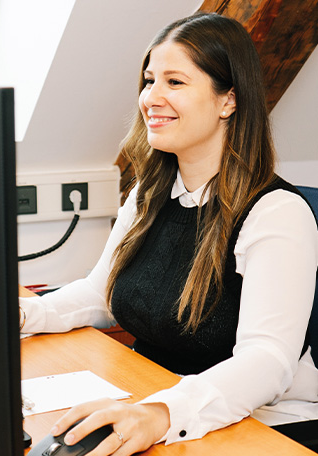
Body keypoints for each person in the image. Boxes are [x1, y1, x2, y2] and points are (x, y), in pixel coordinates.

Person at [20, 12, 318, 455]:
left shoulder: (276, 212)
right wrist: (24, 317)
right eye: (149, 80)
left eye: (174, 82)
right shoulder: (149, 192)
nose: (151, 98)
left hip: (258, 424)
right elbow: (101, 294)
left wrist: (161, 412)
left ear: (228, 101)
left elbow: (266, 362)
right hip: (156, 396)